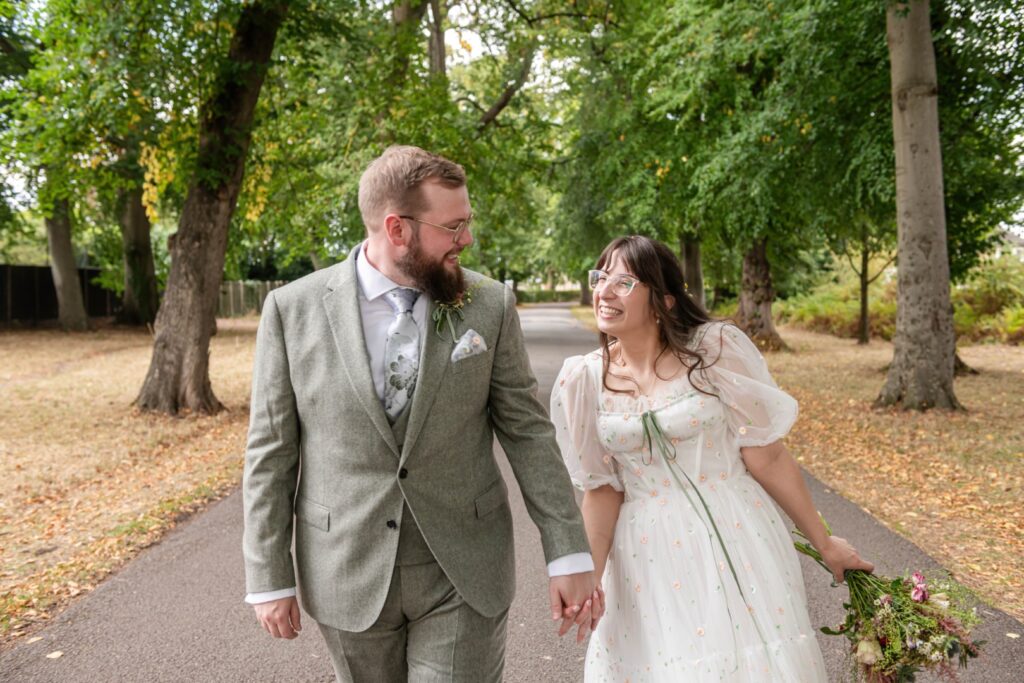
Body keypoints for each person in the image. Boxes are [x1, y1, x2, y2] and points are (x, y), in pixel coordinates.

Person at [242, 145, 600, 682]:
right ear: (397, 229)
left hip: (464, 567)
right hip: (346, 569)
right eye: (453, 227)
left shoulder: (489, 304)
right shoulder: (292, 310)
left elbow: (527, 432)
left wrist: (567, 550)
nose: (467, 239)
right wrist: (269, 575)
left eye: (467, 222)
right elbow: (270, 452)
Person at [551, 235, 873, 682]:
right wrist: (591, 580)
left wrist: (826, 543)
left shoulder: (713, 351)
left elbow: (767, 457)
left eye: (623, 283)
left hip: (734, 535)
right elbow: (602, 491)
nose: (603, 292)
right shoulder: (584, 379)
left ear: (663, 300)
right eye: (600, 278)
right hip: (644, 556)